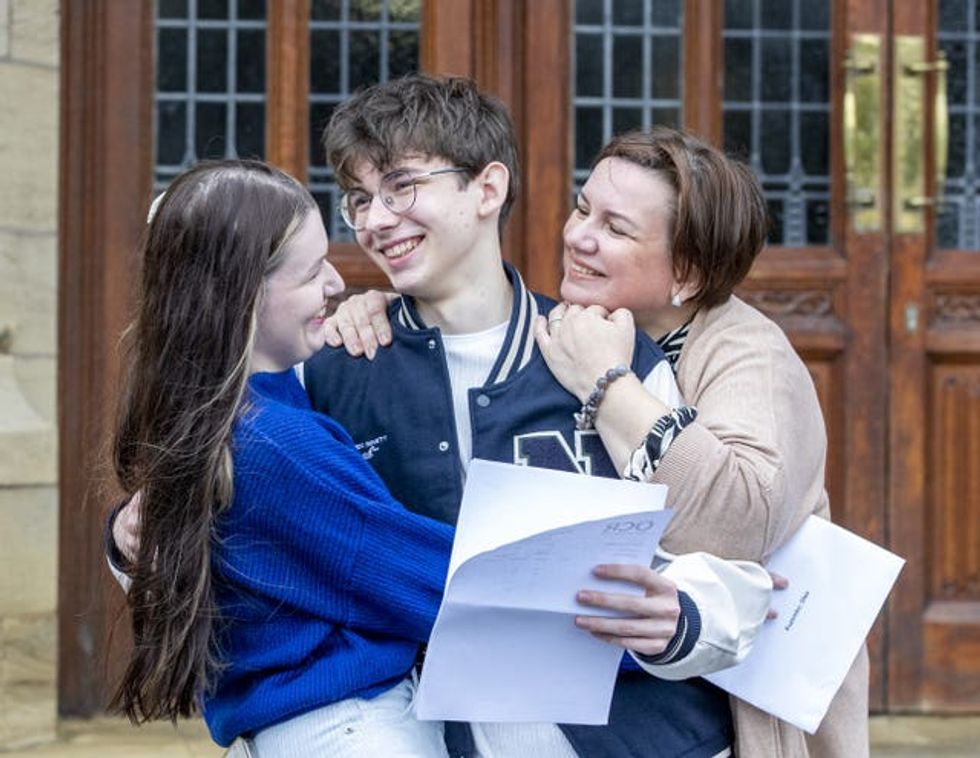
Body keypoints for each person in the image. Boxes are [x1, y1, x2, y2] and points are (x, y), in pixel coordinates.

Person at [335, 125, 870, 757]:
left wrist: (610, 384)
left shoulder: (745, 355)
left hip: (746, 700)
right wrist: (383, 307)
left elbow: (737, 524)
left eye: (616, 229)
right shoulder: (584, 322)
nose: (578, 236)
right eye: (583, 208)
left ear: (688, 272)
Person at [108, 159, 455, 756]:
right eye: (312, 272)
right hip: (351, 731)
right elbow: (437, 585)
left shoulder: (207, 412)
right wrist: (620, 612)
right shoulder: (274, 444)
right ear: (243, 294)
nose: (334, 285)